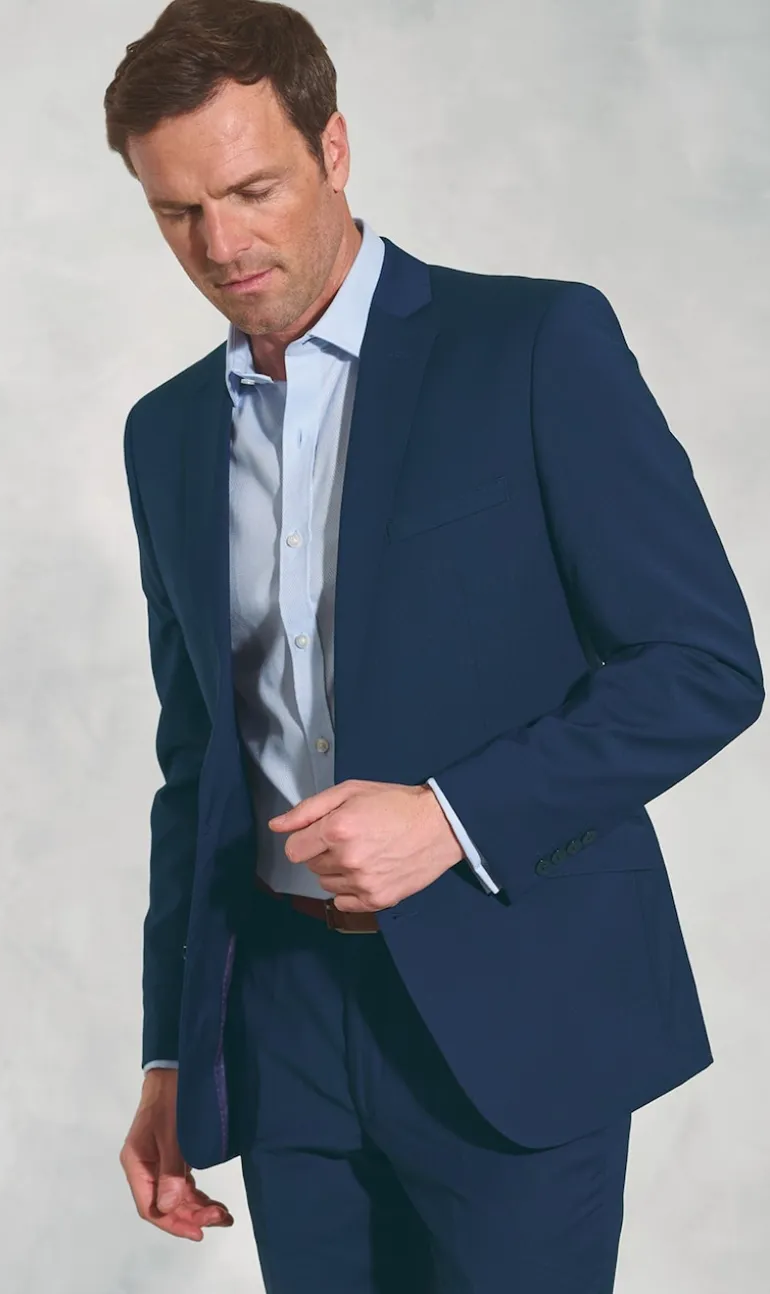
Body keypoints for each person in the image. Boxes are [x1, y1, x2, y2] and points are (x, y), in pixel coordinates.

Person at [106, 2, 764, 1290]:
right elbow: (198, 763)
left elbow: (703, 664)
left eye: (253, 190)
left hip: (516, 1001)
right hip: (283, 1022)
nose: (222, 245)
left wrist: (451, 819)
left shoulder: (533, 345)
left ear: (334, 148)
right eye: (178, 212)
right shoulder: (166, 434)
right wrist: (175, 1051)